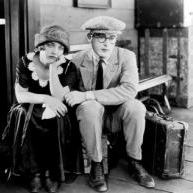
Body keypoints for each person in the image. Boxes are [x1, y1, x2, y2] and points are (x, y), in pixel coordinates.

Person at [64, 16, 155, 192]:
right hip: (90, 119)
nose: (107, 43)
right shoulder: (77, 60)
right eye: (101, 37)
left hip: (117, 116)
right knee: (90, 106)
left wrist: (87, 95)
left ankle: (134, 161)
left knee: (136, 107)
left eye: (112, 37)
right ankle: (96, 165)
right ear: (90, 37)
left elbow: (129, 90)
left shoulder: (126, 56)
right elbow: (69, 93)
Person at [2, 25, 81, 193]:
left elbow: (59, 97)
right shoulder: (25, 62)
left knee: (57, 117)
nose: (56, 51)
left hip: (57, 106)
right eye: (52, 45)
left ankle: (52, 174)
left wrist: (53, 68)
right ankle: (34, 173)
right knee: (24, 114)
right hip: (29, 104)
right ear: (42, 45)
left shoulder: (69, 67)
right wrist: (45, 98)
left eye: (61, 48)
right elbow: (21, 96)